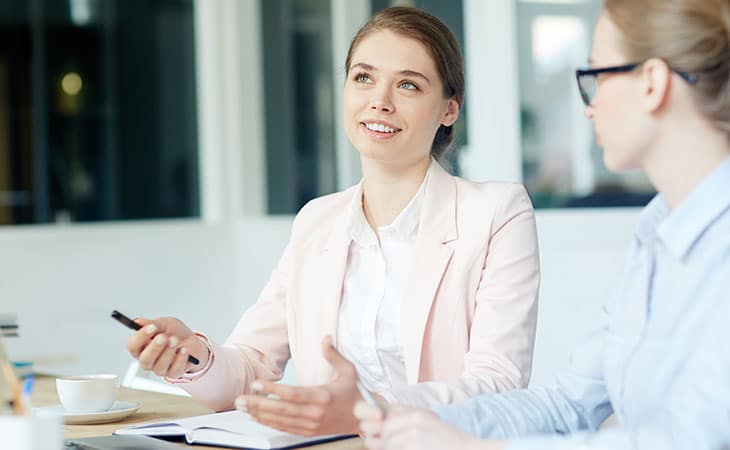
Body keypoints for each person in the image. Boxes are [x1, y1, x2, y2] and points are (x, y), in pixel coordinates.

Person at [125, 6, 540, 436]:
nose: (380, 100)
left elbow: (499, 383)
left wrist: (368, 409)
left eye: (408, 85)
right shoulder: (317, 221)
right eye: (364, 77)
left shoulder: (496, 212)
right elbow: (251, 368)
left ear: (449, 110)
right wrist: (193, 355)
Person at [355, 0, 730, 448]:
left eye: (595, 77)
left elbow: (695, 440)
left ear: (652, 82)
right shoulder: (658, 232)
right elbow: (568, 403)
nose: (588, 108)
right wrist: (402, 418)